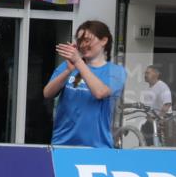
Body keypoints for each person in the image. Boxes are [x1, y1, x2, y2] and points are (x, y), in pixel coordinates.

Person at [43, 19, 126, 148]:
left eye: (87, 40)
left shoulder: (116, 71)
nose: (82, 45)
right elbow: (47, 93)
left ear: (104, 41)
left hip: (98, 147)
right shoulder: (68, 65)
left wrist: (78, 62)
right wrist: (68, 71)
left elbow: (100, 92)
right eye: (80, 40)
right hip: (62, 144)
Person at [139, 65, 173, 145]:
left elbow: (167, 104)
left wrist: (159, 119)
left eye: (148, 73)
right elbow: (148, 107)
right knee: (144, 137)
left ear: (156, 74)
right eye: (145, 73)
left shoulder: (162, 86)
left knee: (159, 143)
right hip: (152, 120)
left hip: (163, 120)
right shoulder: (148, 88)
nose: (145, 75)